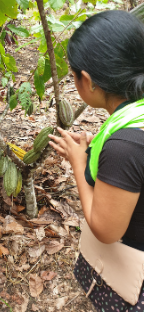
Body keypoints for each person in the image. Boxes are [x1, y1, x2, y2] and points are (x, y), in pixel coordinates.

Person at [48, 10, 144, 309]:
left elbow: (105, 230)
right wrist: (94, 152)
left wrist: (78, 163)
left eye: (73, 75)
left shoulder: (123, 147)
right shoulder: (132, 121)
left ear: (87, 80)